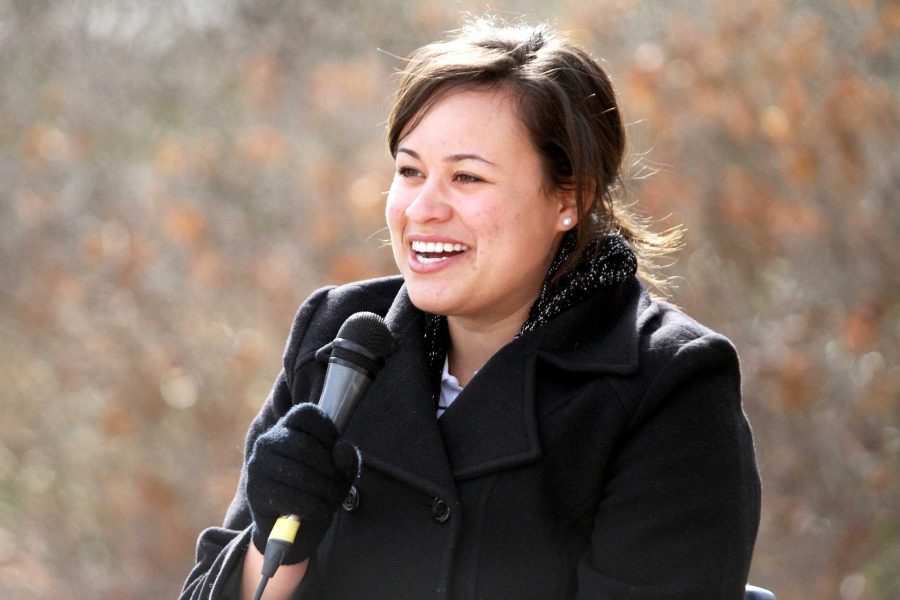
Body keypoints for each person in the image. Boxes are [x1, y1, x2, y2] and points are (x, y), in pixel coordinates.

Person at [181, 17, 761, 600]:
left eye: (467, 177)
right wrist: (275, 542)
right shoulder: (336, 337)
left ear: (571, 197)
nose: (423, 208)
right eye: (409, 171)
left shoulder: (669, 383)